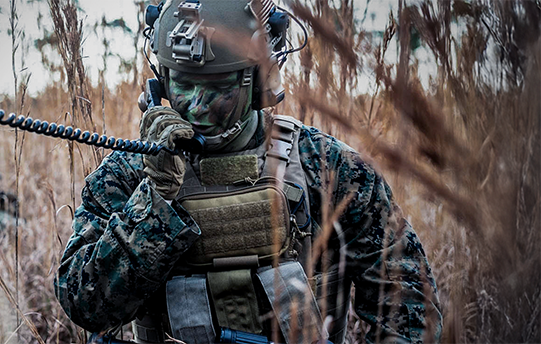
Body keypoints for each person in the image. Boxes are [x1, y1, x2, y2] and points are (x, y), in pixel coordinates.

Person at [52, 1, 441, 343]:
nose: (197, 107)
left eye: (218, 87)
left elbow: (408, 307)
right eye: (183, 86)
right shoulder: (129, 173)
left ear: (259, 82)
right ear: (161, 83)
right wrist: (154, 200)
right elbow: (84, 305)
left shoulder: (327, 167)